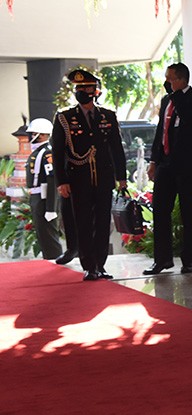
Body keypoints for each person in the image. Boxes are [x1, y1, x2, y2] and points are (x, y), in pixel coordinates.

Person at [51, 69, 127, 281]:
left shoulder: (107, 116)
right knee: (83, 222)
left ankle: (100, 265)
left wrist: (122, 178)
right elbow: (57, 152)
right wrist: (62, 181)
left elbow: (116, 149)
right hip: (78, 179)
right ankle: (89, 266)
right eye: (79, 88)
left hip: (103, 178)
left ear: (96, 91)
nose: (82, 91)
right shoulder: (65, 118)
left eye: (86, 88)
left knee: (103, 222)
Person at [144, 63, 192, 275]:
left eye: (170, 78)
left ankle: (189, 259)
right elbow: (160, 132)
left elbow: (190, 120)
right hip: (166, 163)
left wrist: (176, 95)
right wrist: (153, 161)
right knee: (160, 210)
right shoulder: (166, 101)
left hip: (188, 165)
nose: (166, 82)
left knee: (188, 210)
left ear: (181, 80)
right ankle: (162, 260)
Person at [25, 118, 62, 260]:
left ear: (42, 134)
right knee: (43, 236)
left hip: (44, 198)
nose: (30, 136)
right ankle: (49, 260)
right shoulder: (38, 152)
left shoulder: (47, 153)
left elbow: (52, 181)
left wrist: (51, 208)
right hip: (37, 197)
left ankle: (55, 262)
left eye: (33, 133)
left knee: (49, 236)